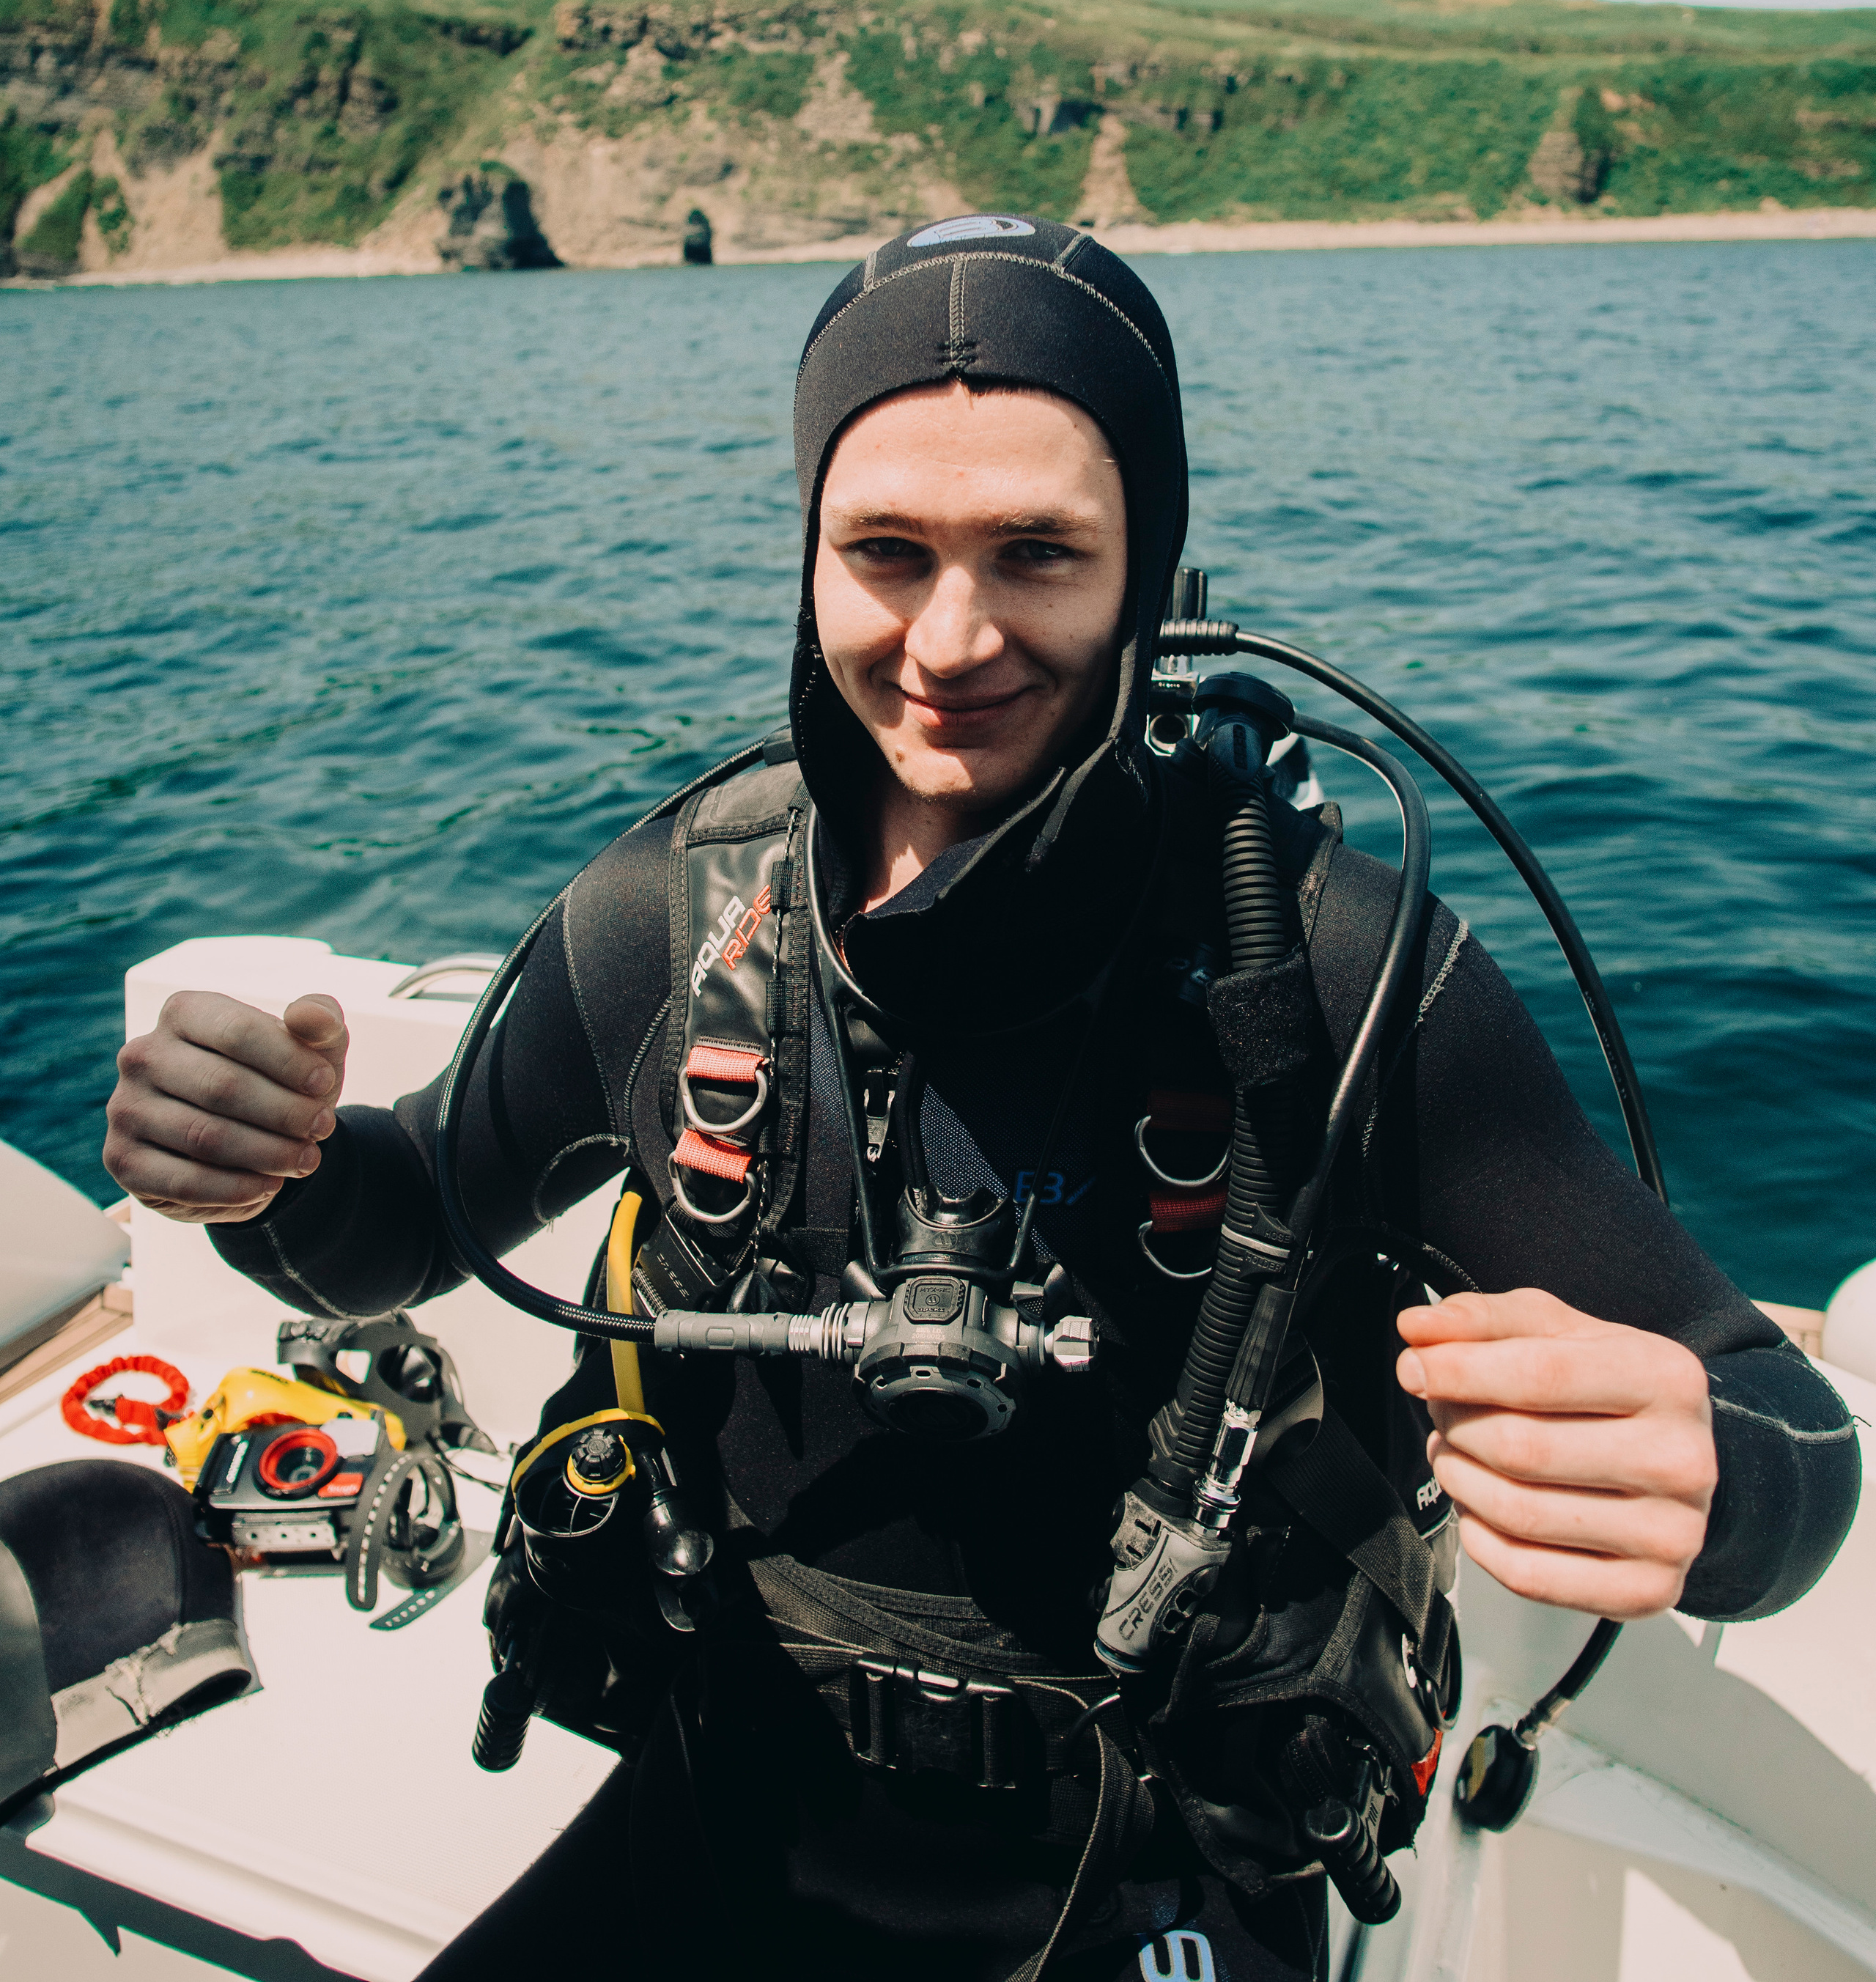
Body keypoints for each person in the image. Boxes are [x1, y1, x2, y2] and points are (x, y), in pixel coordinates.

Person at [105, 217, 1858, 1981]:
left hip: (1159, 1862)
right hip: (732, 1801)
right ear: (806, 556)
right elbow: (394, 1233)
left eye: (1036, 552)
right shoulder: (670, 920)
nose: (949, 640)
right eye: (884, 551)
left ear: (1145, 567)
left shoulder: (1325, 971)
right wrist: (263, 1172)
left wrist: (1720, 1497)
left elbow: (1776, 1415)